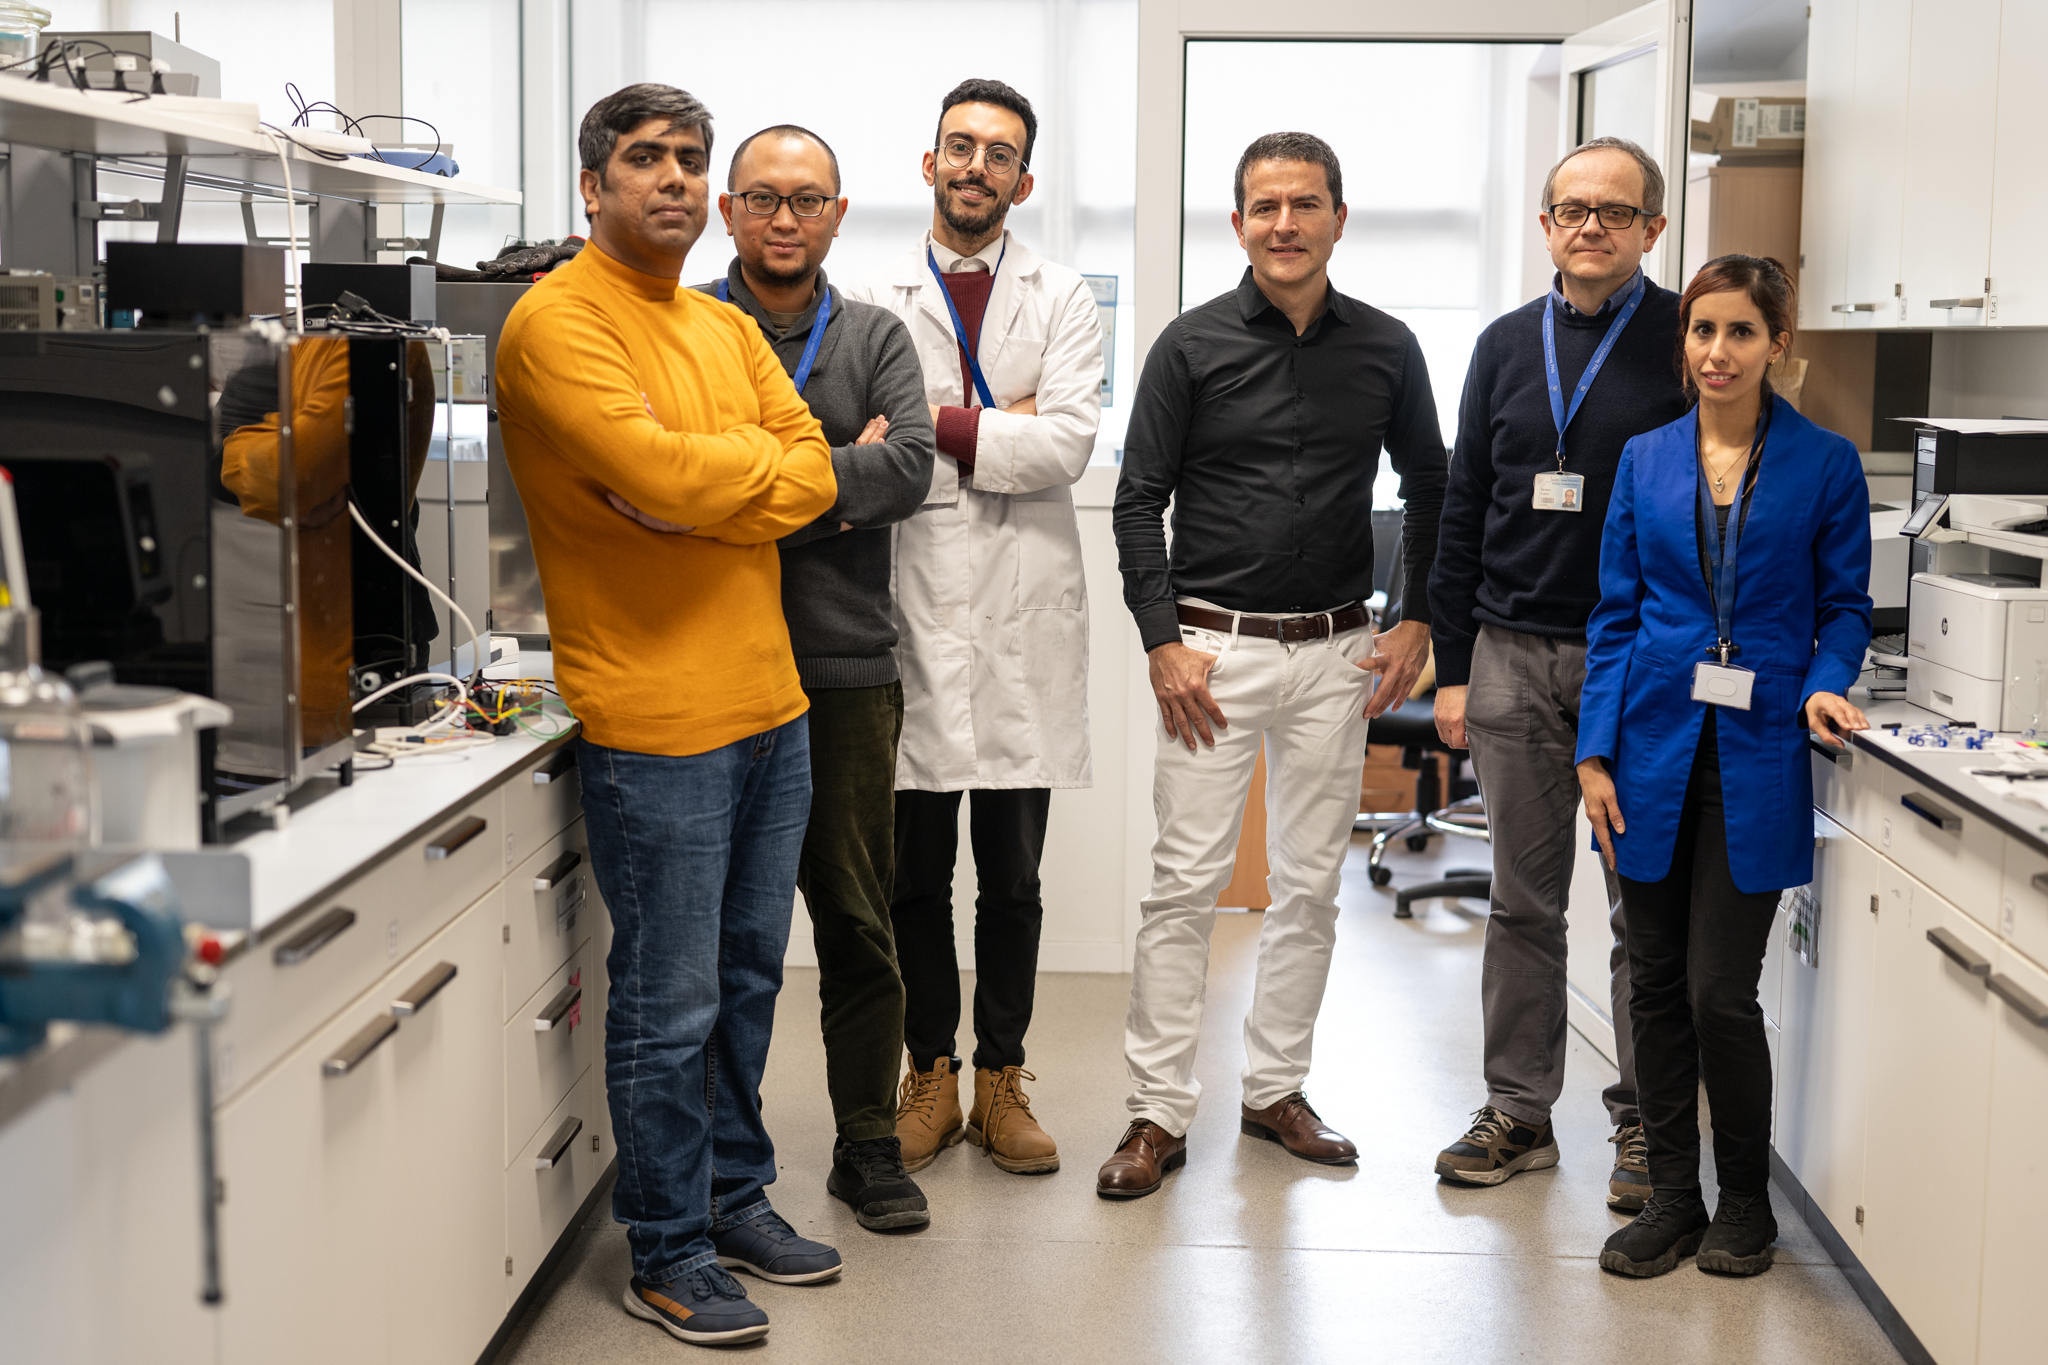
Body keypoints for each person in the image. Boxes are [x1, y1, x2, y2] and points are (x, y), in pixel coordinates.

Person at [496, 84, 841, 1348]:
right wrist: (724, 481)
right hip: (654, 721)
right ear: (593, 185)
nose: (677, 180)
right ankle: (666, 1246)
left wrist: (706, 494)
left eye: (691, 159)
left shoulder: (722, 323)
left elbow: (813, 471)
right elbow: (656, 471)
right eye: (646, 159)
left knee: (746, 980)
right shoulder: (555, 323)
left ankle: (732, 1198)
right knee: (667, 997)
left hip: (771, 706)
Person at [1099, 131, 1444, 1198]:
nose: (1284, 224)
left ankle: (1274, 1090)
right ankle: (1156, 1112)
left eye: (1304, 204)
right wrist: (1161, 642)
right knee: (1183, 888)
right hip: (1212, 655)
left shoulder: (1387, 347)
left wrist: (1417, 620)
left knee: (1308, 888)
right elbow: (1136, 501)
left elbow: (1433, 487)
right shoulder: (1189, 345)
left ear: (1338, 217)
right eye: (1264, 206)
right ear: (1238, 222)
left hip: (1337, 652)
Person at [609, 124, 940, 1232]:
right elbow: (656, 480)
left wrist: (737, 496)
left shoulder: (876, 334)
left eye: (806, 199)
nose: (784, 218)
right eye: (761, 198)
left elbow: (906, 470)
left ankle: (866, 1146)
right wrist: (827, 478)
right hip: (707, 665)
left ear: (838, 213)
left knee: (856, 920)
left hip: (842, 670)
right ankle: (716, 1174)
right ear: (728, 211)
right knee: (715, 950)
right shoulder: (686, 326)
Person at [1577, 255, 1871, 1278]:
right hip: (1647, 752)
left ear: (1776, 343)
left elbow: (1845, 607)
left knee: (1718, 993)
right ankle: (1673, 1199)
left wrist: (1825, 682)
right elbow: (1615, 614)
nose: (1717, 351)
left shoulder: (1825, 464)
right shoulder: (1645, 459)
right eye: (1702, 330)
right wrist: (1593, 750)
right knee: (1654, 985)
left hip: (1757, 755)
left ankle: (1744, 1200)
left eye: (1740, 332)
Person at [1427, 136, 1690, 1208]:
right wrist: (1452, 667)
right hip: (1509, 653)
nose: (1590, 226)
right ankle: (1519, 1111)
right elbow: (1460, 507)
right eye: (1571, 209)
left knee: (1644, 908)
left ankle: (1648, 1122)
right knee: (1522, 902)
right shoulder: (1502, 345)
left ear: (1651, 229)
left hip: (1640, 661)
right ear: (1544, 225)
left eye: (1613, 211)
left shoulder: (1687, 337)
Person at [850, 78, 1104, 1178]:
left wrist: (930, 426)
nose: (976, 167)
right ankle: (931, 1072)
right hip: (907, 610)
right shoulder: (871, 294)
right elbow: (858, 446)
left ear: (1022, 182)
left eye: (999, 154)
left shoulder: (1064, 295)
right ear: (929, 163)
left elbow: (1068, 446)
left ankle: (1002, 1077)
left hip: (1019, 626)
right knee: (912, 876)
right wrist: (1003, 424)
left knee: (1013, 880)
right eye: (959, 146)